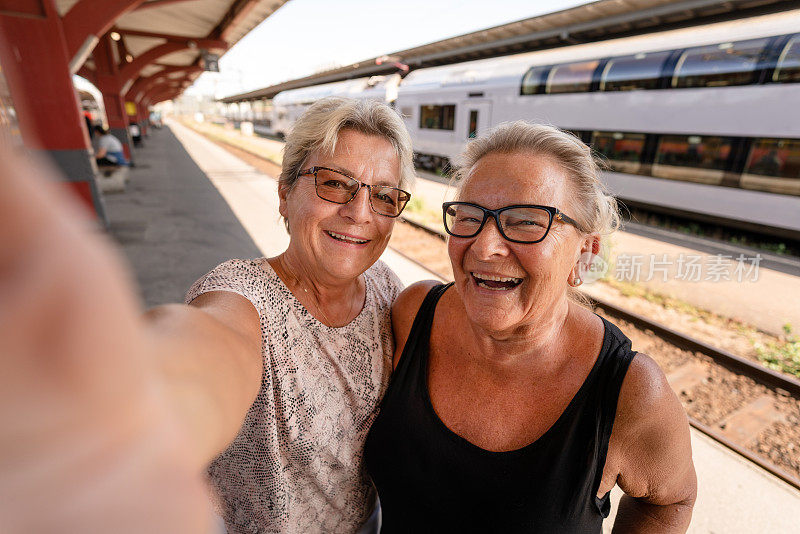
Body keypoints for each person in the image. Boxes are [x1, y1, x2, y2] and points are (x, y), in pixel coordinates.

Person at [0, 96, 415, 533]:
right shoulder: (244, 293)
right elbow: (208, 347)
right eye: (335, 183)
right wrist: (124, 420)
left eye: (384, 196)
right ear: (285, 194)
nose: (360, 213)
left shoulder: (387, 288)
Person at [365, 122, 697, 533]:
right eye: (469, 216)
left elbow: (670, 499)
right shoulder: (414, 313)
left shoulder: (629, 391)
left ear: (584, 253)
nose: (484, 247)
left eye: (525, 221)